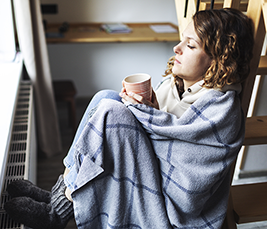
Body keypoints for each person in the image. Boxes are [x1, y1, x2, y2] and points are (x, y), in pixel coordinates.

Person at [4, 8, 254, 229]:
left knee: (112, 114)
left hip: (170, 207)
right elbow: (166, 133)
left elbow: (187, 189)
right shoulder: (174, 86)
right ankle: (60, 194)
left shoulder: (221, 111)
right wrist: (151, 112)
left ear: (218, 62)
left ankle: (57, 212)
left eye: (190, 45)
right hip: (152, 174)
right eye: (181, 40)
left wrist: (147, 117)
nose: (176, 48)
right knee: (107, 97)